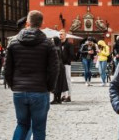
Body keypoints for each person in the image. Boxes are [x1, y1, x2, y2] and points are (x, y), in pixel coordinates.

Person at [5, 10, 59, 140]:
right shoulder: (48, 43)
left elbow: (7, 68)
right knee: (39, 128)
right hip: (40, 90)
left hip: (19, 90)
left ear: (27, 23)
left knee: (22, 125)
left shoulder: (13, 42)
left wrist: (13, 85)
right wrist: (50, 87)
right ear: (41, 23)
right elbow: (54, 69)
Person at [51, 37, 68, 105]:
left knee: (56, 82)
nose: (51, 41)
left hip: (56, 66)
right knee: (60, 82)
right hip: (61, 66)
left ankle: (55, 99)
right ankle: (58, 99)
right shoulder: (60, 47)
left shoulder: (54, 48)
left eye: (52, 40)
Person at [59, 29, 74, 102]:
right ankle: (63, 95)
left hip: (66, 64)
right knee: (61, 80)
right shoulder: (58, 44)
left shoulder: (69, 44)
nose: (60, 35)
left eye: (61, 34)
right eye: (59, 34)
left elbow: (72, 54)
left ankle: (69, 95)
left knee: (68, 79)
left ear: (65, 36)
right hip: (60, 64)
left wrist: (67, 61)